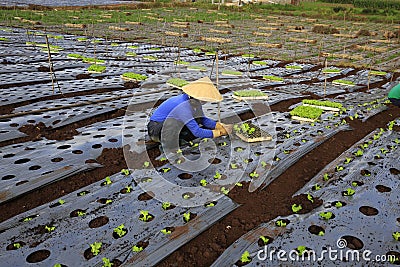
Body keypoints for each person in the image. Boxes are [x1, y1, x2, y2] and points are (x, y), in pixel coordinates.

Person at [147, 77, 232, 153]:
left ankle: (178, 137)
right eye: (204, 100)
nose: (204, 102)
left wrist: (219, 125)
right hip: (156, 129)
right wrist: (220, 133)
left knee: (196, 120)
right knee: (174, 123)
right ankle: (168, 147)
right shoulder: (182, 106)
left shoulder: (194, 102)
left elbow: (202, 119)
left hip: (169, 126)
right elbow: (197, 132)